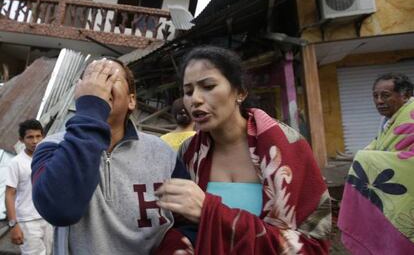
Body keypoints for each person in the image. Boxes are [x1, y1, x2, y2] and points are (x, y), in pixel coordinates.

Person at [155, 46, 331, 254]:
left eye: (208, 86)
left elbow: (312, 243)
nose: (195, 99)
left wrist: (210, 212)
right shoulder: (189, 153)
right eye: (188, 91)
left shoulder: (288, 146)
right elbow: (184, 226)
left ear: (240, 92)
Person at [31, 58, 188, 255]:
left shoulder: (162, 153)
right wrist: (91, 110)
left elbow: (188, 220)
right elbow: (59, 209)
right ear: (81, 93)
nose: (99, 85)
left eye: (109, 77)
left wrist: (174, 245)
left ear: (132, 100)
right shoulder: (52, 147)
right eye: (91, 78)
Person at [338, 73, 414, 254]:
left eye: (385, 95)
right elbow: (375, 148)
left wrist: (365, 159)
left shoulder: (410, 117)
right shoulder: (388, 121)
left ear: (404, 95)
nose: (379, 101)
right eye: (375, 96)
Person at [5, 119, 53, 255]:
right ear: (21, 140)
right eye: (30, 137)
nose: (35, 141)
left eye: (38, 136)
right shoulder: (17, 163)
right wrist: (13, 225)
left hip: (49, 218)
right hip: (28, 221)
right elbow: (9, 194)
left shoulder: (49, 158)